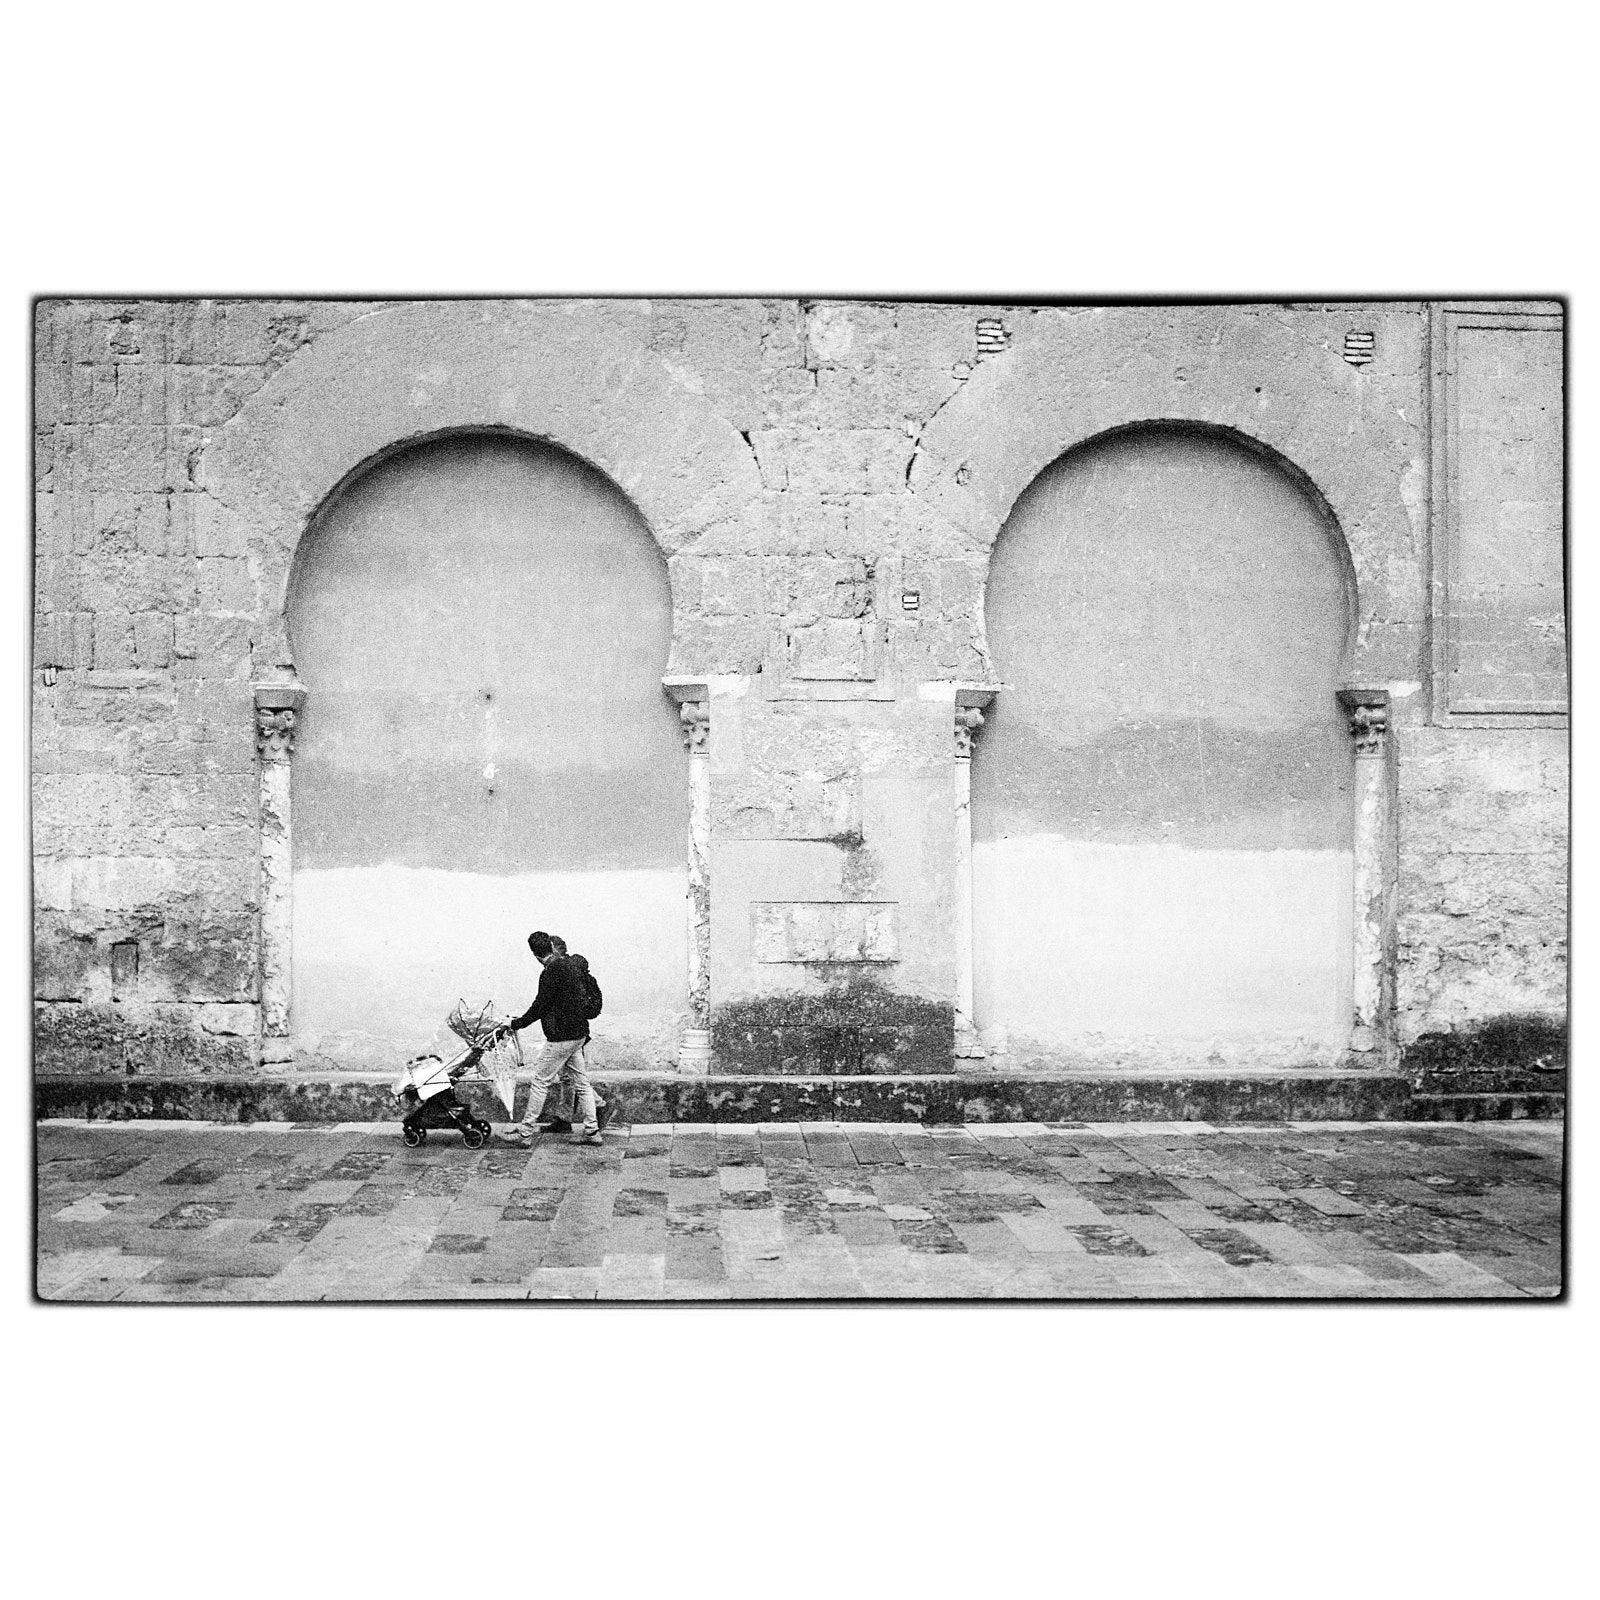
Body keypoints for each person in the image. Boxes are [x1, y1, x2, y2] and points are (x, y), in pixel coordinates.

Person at [498, 930, 602, 1147]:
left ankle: (525, 1133)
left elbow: (540, 1006)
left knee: (540, 1082)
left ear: (535, 954)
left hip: (561, 1037)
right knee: (582, 1084)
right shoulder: (570, 966)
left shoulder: (549, 972)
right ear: (551, 946)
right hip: (578, 1034)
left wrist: (516, 1024)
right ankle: (592, 1132)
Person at [535, 936, 608, 1136]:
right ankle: (565, 1118)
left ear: (556, 950)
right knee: (569, 1077)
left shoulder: (568, 970)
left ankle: (597, 1107)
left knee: (571, 1078)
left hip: (569, 1032)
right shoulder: (562, 969)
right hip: (567, 1031)